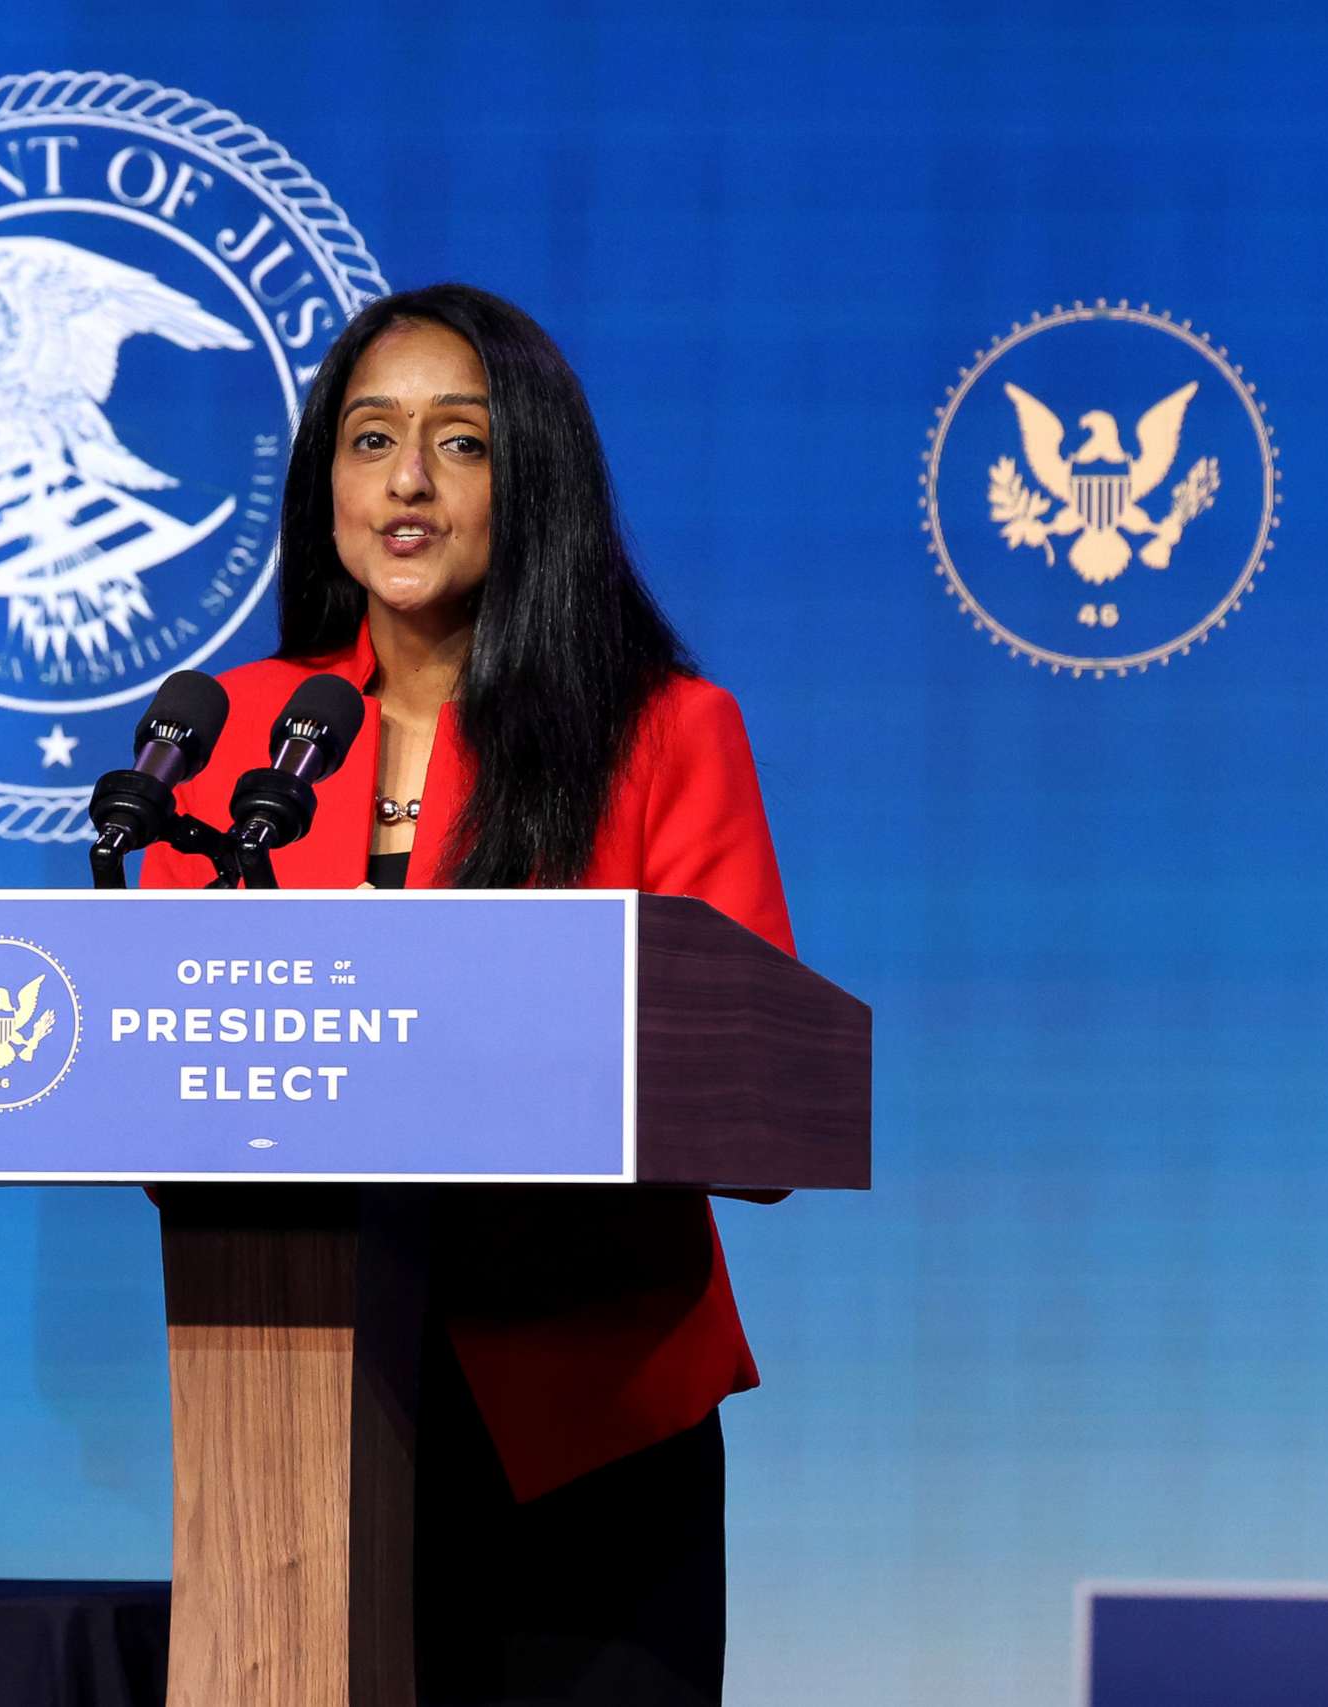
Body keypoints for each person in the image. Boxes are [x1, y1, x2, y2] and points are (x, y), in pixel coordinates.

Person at [142, 285, 795, 1705]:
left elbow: (742, 1083)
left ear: (534, 474)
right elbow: (167, 1049)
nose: (409, 483)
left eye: (461, 442)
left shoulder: (666, 730)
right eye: (372, 440)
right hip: (297, 1399)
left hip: (583, 1411)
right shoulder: (242, 733)